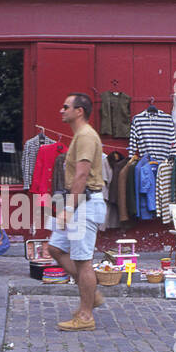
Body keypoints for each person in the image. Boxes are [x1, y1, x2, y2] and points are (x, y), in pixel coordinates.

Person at [47, 93, 107, 331]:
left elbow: (82, 175)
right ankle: (91, 294)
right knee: (55, 248)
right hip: (76, 202)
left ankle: (85, 317)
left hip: (84, 203)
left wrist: (69, 209)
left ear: (79, 111)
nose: (61, 110)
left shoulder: (85, 136)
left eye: (65, 106)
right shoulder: (79, 136)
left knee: (83, 262)